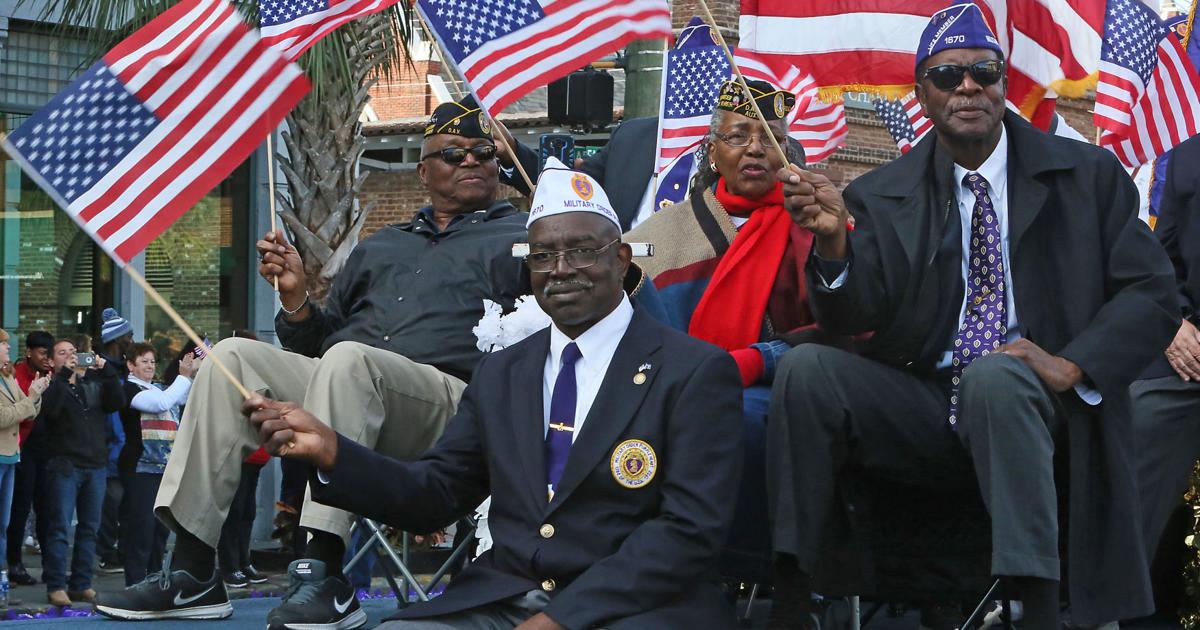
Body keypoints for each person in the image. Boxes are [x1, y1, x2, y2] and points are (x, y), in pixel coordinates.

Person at [96, 97, 659, 626]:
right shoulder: (380, 245)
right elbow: (321, 344)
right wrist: (295, 299)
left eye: (485, 154)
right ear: (423, 171)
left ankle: (321, 568)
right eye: (453, 154)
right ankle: (193, 568)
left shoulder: (522, 239)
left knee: (351, 362)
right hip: (353, 387)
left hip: (456, 408)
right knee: (235, 356)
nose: (471, 161)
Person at [765, 5, 1178, 630]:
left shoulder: (1087, 176)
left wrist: (1071, 364)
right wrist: (832, 246)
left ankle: (1034, 609)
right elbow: (854, 316)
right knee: (806, 370)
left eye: (984, 72)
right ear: (921, 95)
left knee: (994, 376)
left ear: (1002, 83)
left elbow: (1151, 292)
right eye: (948, 75)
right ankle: (795, 599)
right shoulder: (881, 193)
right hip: (927, 400)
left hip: (1047, 406)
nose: (968, 87)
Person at [241, 160, 743, 629]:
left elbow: (688, 532)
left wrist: (562, 619)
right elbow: (436, 494)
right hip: (503, 599)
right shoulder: (503, 374)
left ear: (620, 258)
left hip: (634, 606)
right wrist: (332, 451)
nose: (561, 269)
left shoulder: (694, 372)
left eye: (582, 251)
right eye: (543, 255)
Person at [625, 79, 829, 581]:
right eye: (739, 135)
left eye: (771, 136)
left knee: (726, 420)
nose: (757, 148)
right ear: (713, 151)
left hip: (778, 391)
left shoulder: (817, 223)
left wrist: (755, 360)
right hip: (666, 392)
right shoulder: (656, 237)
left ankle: (754, 575)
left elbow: (846, 328)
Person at [1132, 132, 1200, 593]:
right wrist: (1175, 323)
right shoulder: (1190, 156)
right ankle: (1101, 599)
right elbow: (1165, 260)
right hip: (1193, 348)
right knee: (1139, 411)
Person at [40, 339, 125, 607]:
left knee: (90, 528)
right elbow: (50, 410)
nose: (70, 357)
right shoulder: (54, 385)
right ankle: (56, 585)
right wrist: (66, 374)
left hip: (95, 465)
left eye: (73, 353)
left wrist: (107, 369)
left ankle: (81, 583)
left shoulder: (94, 384)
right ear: (53, 361)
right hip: (65, 464)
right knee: (60, 528)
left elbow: (117, 401)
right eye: (62, 353)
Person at [118, 342, 197, 585]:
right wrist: (183, 376)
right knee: (141, 530)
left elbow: (183, 396)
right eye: (144, 361)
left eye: (153, 361)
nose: (150, 366)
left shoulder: (160, 388)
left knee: (160, 532)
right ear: (131, 366)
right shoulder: (130, 389)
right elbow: (162, 403)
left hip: (164, 469)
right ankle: (135, 583)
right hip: (140, 468)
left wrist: (192, 372)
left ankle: (154, 581)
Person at [0, 329, 50, 606]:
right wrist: (29, 400)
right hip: (3, 455)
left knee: (3, 525)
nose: (9, 349)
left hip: (10, 455)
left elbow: (29, 410)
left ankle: (2, 587)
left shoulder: (7, 376)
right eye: (4, 345)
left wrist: (35, 394)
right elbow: (4, 416)